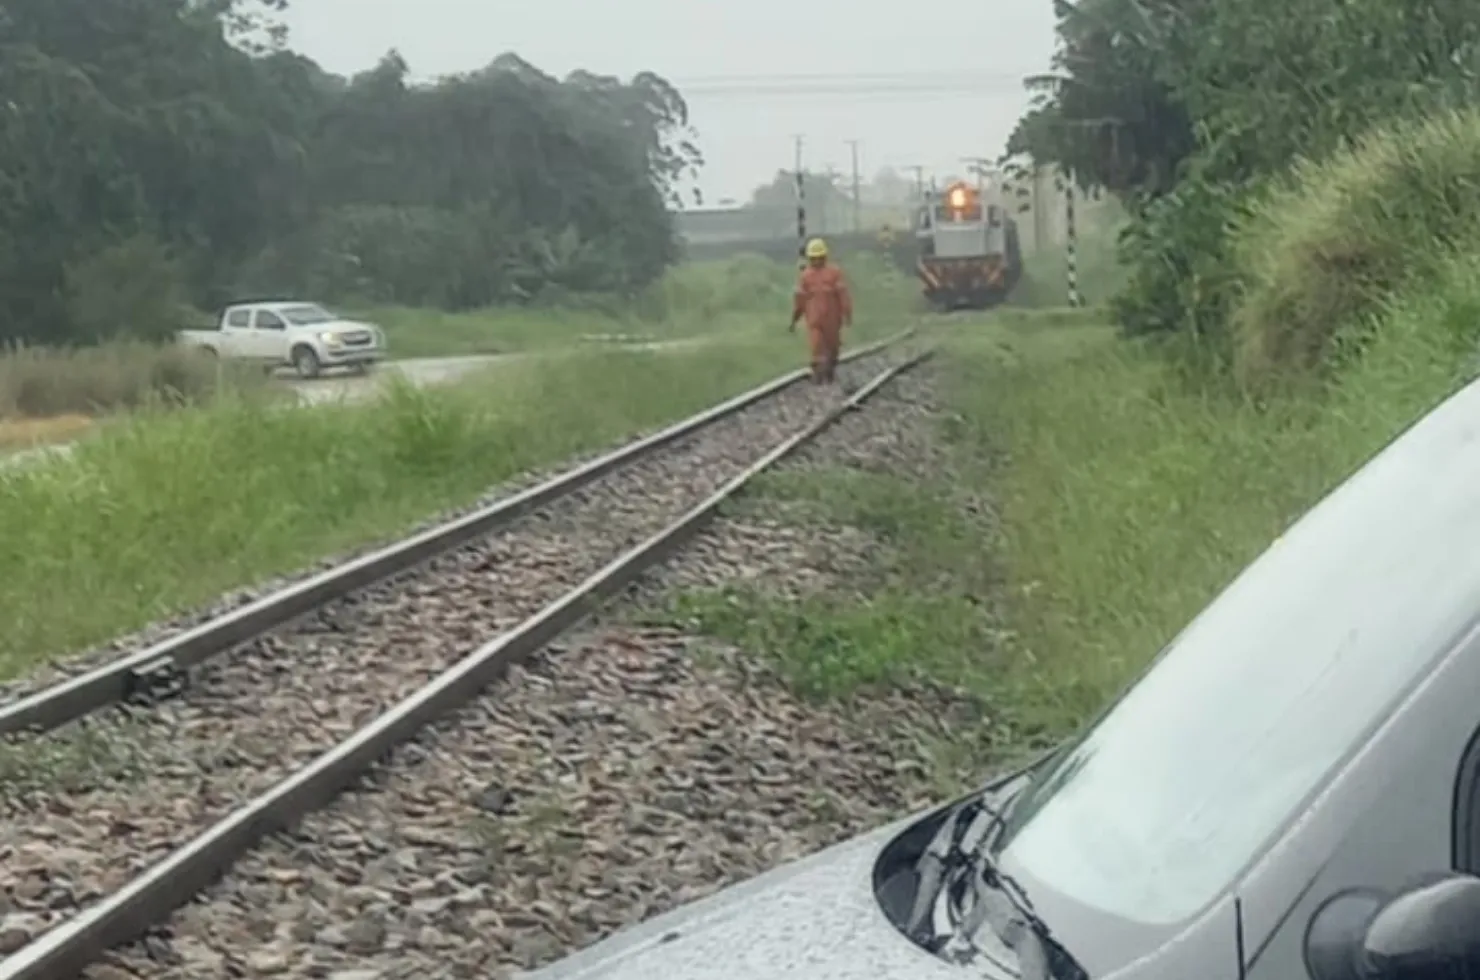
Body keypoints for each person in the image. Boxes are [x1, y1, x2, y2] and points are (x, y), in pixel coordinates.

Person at [788, 237, 853, 384]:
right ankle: (818, 375)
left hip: (833, 320)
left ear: (825, 257)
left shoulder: (834, 273)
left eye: (819, 258)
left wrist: (847, 313)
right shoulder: (805, 277)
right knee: (816, 347)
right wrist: (795, 318)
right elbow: (800, 300)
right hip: (814, 320)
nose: (816, 261)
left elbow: (843, 295)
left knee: (832, 347)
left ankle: (829, 372)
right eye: (814, 258)